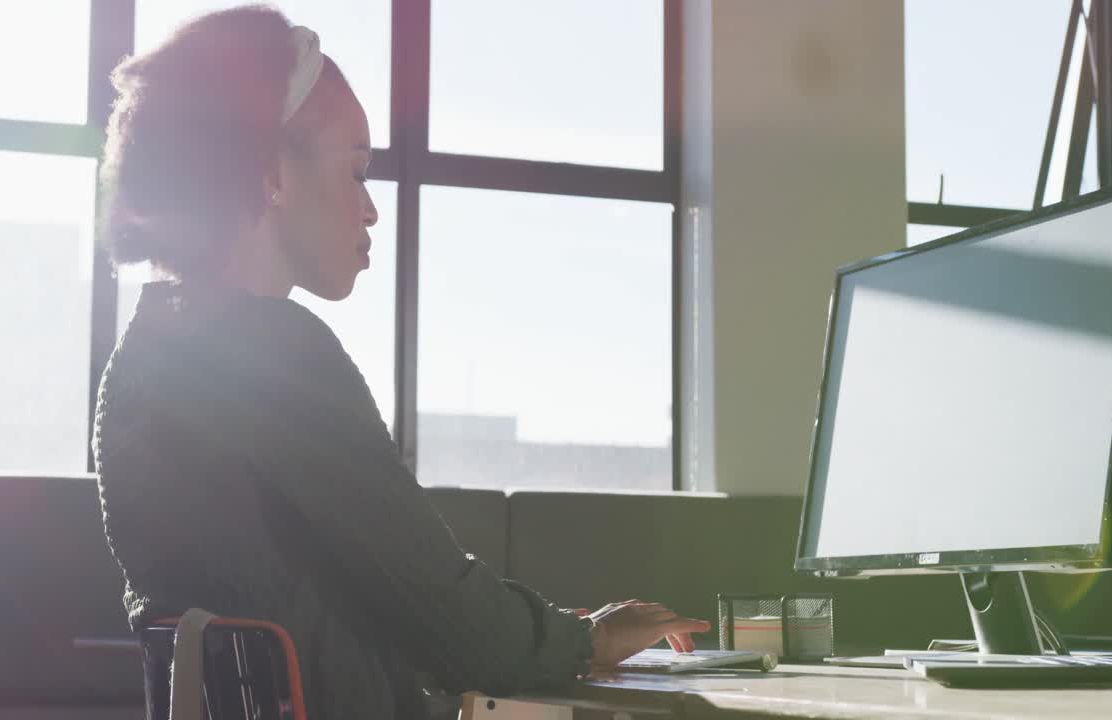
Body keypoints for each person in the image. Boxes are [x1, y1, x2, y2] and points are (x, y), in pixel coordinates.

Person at [91, 6, 709, 718]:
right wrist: (589, 640)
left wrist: (539, 631)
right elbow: (452, 619)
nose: (371, 209)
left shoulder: (141, 364)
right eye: (356, 171)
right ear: (269, 173)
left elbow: (366, 602)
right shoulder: (270, 354)